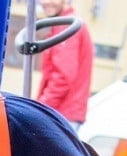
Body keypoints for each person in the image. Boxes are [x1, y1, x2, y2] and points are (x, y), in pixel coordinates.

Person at [36, 1, 93, 132]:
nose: (47, 2)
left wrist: (40, 107)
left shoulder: (67, 26)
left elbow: (63, 77)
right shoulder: (61, 25)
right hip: (62, 112)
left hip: (62, 113)